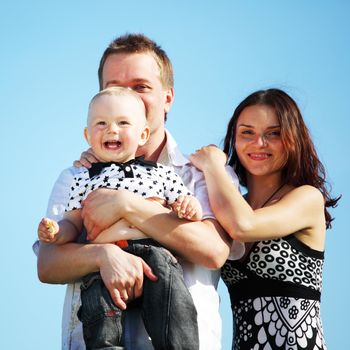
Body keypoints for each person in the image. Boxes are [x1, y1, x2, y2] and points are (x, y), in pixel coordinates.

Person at [35, 33, 244, 350]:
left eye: (141, 87)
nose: (125, 96)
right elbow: (48, 264)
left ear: (168, 98)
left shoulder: (201, 174)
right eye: (113, 87)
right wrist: (103, 255)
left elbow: (213, 250)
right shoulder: (78, 175)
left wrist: (126, 205)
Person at [38, 86, 203, 349]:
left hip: (154, 252)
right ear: (87, 135)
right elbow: (72, 222)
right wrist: (57, 232)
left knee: (174, 305)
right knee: (97, 311)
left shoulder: (161, 173)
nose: (111, 129)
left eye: (123, 123)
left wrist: (189, 206)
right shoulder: (83, 179)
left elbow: (186, 203)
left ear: (143, 134)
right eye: (101, 123)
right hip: (105, 260)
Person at [190, 88, 340, 350]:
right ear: (234, 139)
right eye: (247, 132)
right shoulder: (233, 206)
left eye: (273, 133)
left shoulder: (307, 198)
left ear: (293, 139)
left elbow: (243, 225)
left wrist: (214, 165)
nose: (259, 143)